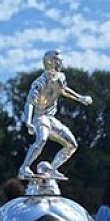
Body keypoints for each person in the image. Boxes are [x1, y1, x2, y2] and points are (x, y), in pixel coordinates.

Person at [18, 50, 93, 181]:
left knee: (72, 145)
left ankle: (52, 169)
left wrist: (80, 98)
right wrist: (28, 121)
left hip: (51, 118)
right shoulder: (39, 83)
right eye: (58, 61)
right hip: (40, 117)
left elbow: (63, 90)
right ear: (49, 62)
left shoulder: (60, 77)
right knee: (41, 140)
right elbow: (29, 103)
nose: (60, 64)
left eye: (60, 61)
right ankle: (24, 168)